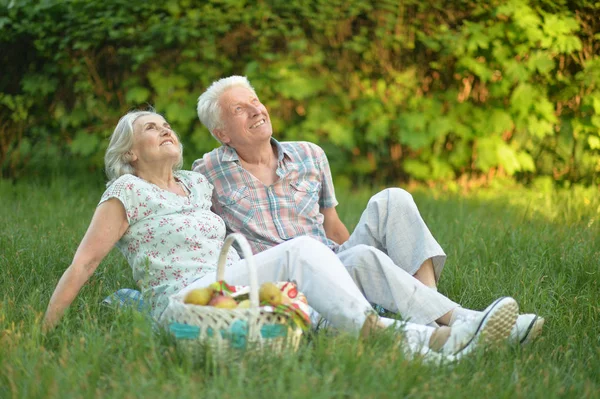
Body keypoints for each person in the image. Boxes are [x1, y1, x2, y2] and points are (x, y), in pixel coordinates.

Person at [43, 110, 520, 363]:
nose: (165, 129)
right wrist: (45, 335)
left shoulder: (196, 184)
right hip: (186, 299)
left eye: (166, 124)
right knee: (304, 251)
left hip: (233, 284)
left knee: (358, 262)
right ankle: (397, 336)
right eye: (151, 127)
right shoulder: (126, 191)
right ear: (129, 153)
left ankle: (457, 325)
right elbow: (83, 264)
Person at [193, 76, 544, 344]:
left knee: (393, 198)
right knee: (360, 256)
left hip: (339, 262)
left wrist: (352, 257)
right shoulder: (206, 173)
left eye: (255, 101)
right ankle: (463, 322)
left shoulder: (310, 155)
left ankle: (437, 312)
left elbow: (333, 227)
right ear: (221, 132)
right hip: (292, 288)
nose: (257, 110)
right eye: (240, 109)